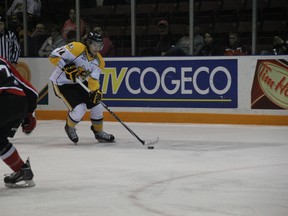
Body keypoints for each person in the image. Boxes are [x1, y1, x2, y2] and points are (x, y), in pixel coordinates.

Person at [49, 32, 115, 144]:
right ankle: (69, 127)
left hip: (80, 83)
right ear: (88, 43)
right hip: (62, 83)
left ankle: (98, 132)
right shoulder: (76, 48)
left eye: (99, 46)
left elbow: (94, 80)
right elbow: (53, 56)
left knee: (97, 105)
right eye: (94, 45)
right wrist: (65, 66)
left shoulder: (99, 61)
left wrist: (95, 91)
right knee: (80, 109)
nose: (97, 48)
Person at [0, 56, 38, 188]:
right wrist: (29, 114)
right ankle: (23, 170)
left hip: (4, 101)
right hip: (20, 102)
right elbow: (31, 90)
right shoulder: (2, 60)